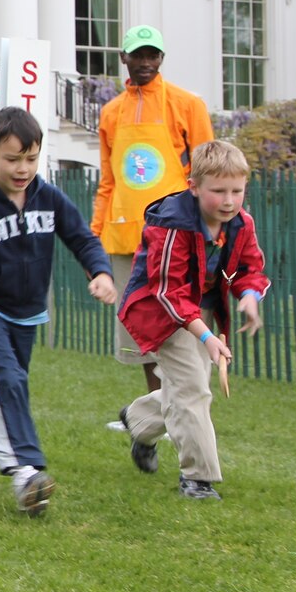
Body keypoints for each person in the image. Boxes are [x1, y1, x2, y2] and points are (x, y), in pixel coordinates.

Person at [0, 108, 117, 516]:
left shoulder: (49, 197)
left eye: (31, 159)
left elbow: (82, 238)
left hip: (27, 314)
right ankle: (26, 471)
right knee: (7, 378)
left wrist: (101, 271)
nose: (23, 169)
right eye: (12, 159)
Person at [115, 140, 269, 500]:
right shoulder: (173, 225)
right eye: (218, 191)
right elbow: (169, 292)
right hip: (160, 310)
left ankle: (138, 418)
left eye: (237, 190)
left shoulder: (240, 223)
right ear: (194, 186)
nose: (229, 200)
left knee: (188, 385)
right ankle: (197, 478)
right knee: (194, 390)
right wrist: (207, 337)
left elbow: (250, 268)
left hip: (197, 310)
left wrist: (249, 297)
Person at [93, 25, 213, 403]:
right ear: (123, 58)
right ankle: (157, 421)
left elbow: (208, 169)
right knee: (143, 336)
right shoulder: (111, 113)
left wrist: (213, 229)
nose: (146, 63)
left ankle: (169, 419)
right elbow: (108, 181)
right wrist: (96, 237)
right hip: (127, 237)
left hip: (177, 237)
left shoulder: (187, 104)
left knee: (184, 327)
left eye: (153, 55)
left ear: (161, 58)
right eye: (138, 55)